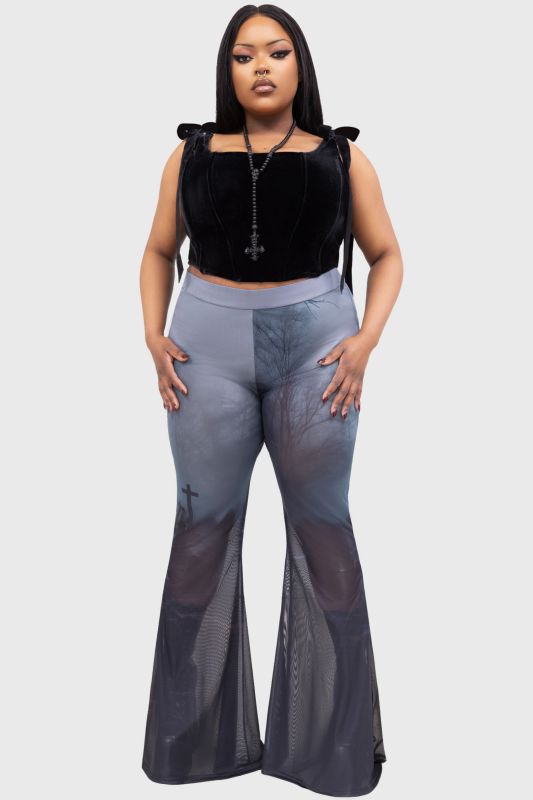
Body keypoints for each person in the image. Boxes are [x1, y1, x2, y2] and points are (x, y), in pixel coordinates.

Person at [139, 5, 402, 797]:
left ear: (299, 65)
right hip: (205, 352)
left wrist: (365, 342)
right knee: (200, 535)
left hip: (315, 353)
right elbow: (158, 250)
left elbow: (386, 254)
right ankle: (192, 748)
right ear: (226, 70)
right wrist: (152, 335)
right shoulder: (188, 154)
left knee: (324, 534)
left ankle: (332, 750)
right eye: (244, 54)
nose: (260, 65)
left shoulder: (340, 156)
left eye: (277, 52)